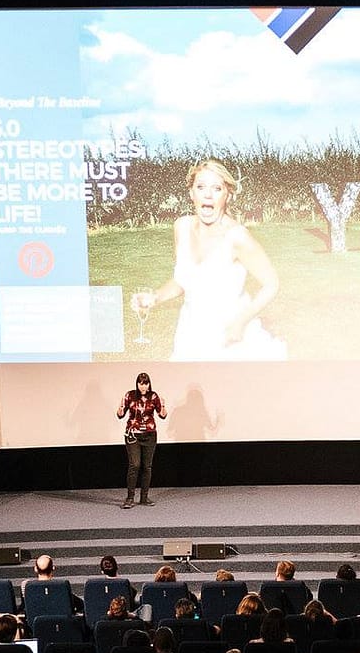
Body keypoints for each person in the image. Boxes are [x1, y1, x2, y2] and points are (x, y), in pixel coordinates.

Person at [130, 158, 284, 362]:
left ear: (227, 195)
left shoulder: (237, 236)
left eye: (217, 188)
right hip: (189, 336)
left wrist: (241, 322)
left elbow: (272, 284)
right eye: (201, 187)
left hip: (232, 340)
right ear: (191, 193)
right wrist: (155, 297)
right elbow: (183, 280)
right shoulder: (181, 227)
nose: (208, 194)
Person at [115, 372, 168, 509]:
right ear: (137, 384)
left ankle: (144, 497)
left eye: (145, 383)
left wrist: (162, 406)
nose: (143, 386)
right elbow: (120, 415)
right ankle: (130, 498)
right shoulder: (130, 395)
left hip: (149, 435)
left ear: (149, 384)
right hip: (133, 435)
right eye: (140, 383)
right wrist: (121, 407)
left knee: (147, 466)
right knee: (135, 465)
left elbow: (162, 416)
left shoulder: (153, 396)